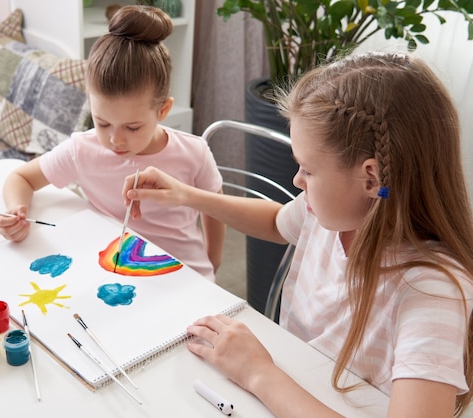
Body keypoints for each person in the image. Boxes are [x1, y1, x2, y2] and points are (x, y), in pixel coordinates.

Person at [122, 52, 473, 416]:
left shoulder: (434, 292)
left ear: (371, 178)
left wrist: (259, 374)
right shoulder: (328, 212)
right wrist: (187, 195)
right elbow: (276, 223)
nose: (297, 181)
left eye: (307, 169)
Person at [0, 5, 224, 282]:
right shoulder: (82, 150)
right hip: (112, 272)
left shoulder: (194, 152)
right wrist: (15, 210)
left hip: (185, 274)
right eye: (102, 123)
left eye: (132, 127)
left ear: (163, 110)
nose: (115, 140)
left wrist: (213, 260)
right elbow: (21, 177)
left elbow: (216, 206)